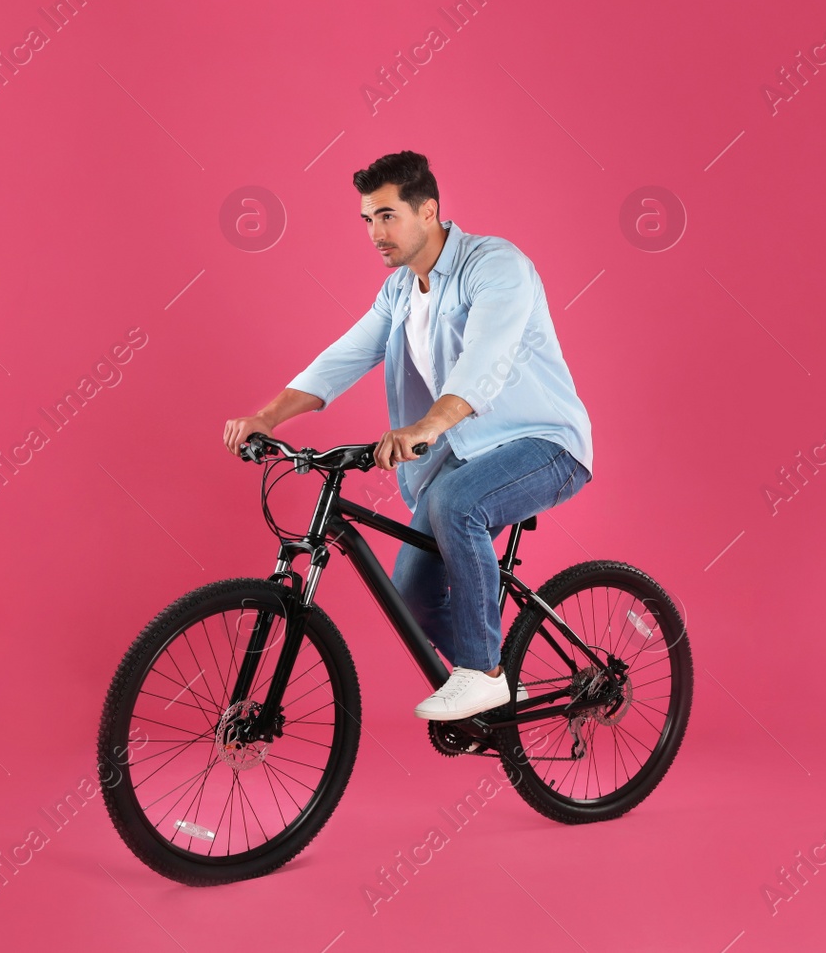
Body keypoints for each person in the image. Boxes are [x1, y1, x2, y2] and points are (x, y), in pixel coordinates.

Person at [222, 151, 593, 720]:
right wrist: (269, 417)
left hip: (544, 443)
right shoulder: (399, 292)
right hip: (463, 453)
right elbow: (344, 356)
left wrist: (425, 427)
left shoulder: (496, 265)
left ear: (430, 211)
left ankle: (484, 673)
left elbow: (485, 361)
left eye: (388, 216)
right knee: (414, 596)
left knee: (454, 501)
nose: (375, 233)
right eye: (368, 219)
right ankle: (501, 701)